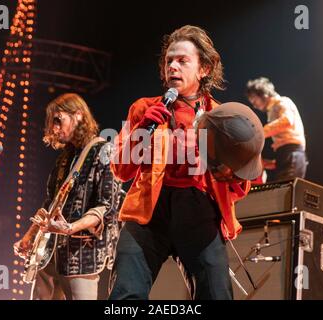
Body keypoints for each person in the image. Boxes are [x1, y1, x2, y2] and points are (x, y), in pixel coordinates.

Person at [108, 25, 264, 300]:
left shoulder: (222, 117)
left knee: (216, 296)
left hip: (198, 211)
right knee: (124, 297)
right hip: (149, 210)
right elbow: (120, 170)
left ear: (204, 69)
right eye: (169, 60)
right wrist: (141, 131)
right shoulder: (144, 108)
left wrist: (233, 174)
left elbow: (240, 187)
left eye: (182, 60)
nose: (173, 67)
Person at [13, 93, 122, 300]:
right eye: (51, 122)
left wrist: (70, 228)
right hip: (49, 254)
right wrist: (30, 236)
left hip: (80, 255)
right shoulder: (66, 157)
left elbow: (106, 206)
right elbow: (50, 202)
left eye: (58, 120)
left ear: (79, 116)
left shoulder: (105, 150)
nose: (54, 128)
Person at [246, 77, 307, 182]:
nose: (254, 105)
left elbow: (287, 121)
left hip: (292, 153)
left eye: (254, 100)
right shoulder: (272, 109)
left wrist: (258, 133)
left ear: (263, 94)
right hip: (288, 154)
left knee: (285, 193)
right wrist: (272, 163)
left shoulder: (282, 102)